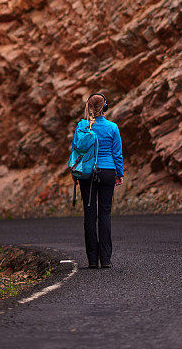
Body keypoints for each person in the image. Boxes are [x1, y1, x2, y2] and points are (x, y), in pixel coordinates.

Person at [73, 93, 124, 269]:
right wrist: (119, 173)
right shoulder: (113, 127)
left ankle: (92, 260)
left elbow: (76, 151)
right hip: (108, 172)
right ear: (106, 107)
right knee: (104, 215)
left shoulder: (82, 126)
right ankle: (106, 259)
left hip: (87, 174)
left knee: (89, 216)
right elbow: (117, 153)